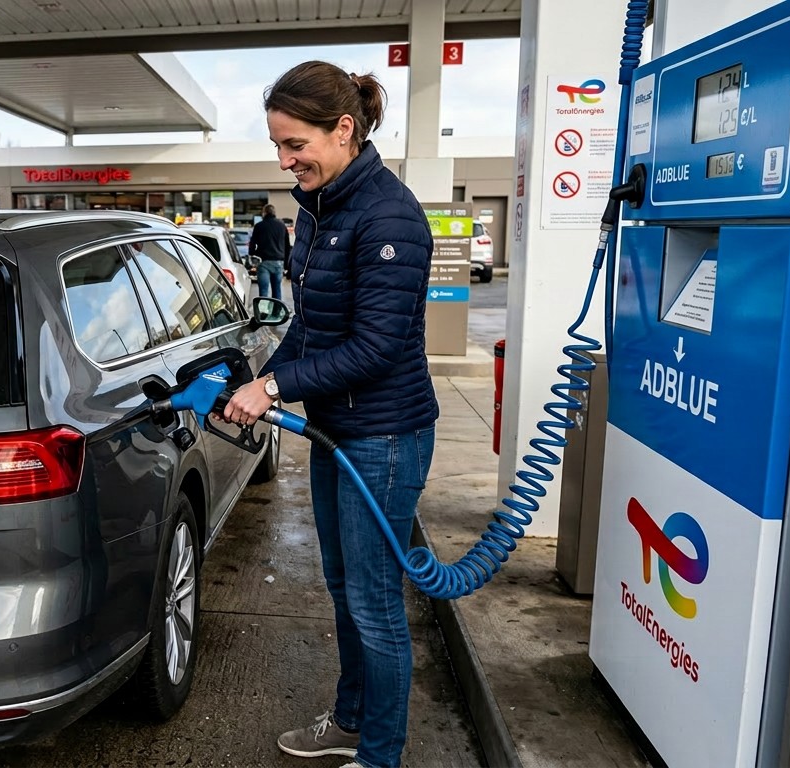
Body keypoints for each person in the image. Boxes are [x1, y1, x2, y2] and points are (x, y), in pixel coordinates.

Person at [221, 61, 439, 768]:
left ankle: (380, 755)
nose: (285, 161)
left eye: (296, 144)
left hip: (386, 437)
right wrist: (259, 377)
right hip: (337, 431)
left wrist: (276, 389)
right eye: (278, 146)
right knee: (346, 592)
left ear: (343, 129)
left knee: (375, 605)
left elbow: (376, 347)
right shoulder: (319, 210)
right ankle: (350, 721)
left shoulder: (389, 216)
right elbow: (312, 329)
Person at [250, 203, 288, 299]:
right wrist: (286, 264)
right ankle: (277, 308)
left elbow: (252, 243)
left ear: (264, 213)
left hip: (263, 262)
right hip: (278, 262)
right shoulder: (282, 226)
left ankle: (263, 308)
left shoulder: (259, 226)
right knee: (277, 290)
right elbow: (287, 246)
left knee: (263, 291)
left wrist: (253, 255)